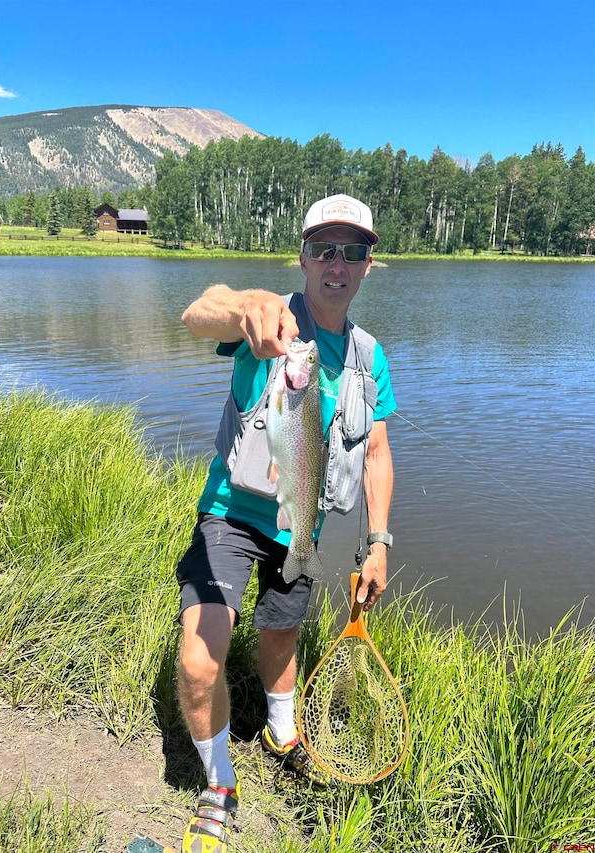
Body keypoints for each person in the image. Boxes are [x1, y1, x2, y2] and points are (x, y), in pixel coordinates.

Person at [177, 194, 396, 853]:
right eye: (324, 248)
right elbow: (196, 311)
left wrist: (378, 541)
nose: (337, 263)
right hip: (233, 515)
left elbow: (379, 451)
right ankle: (219, 785)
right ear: (301, 257)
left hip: (301, 526)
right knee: (196, 662)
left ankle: (280, 732)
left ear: (367, 266)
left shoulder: (368, 356)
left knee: (281, 632)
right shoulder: (269, 319)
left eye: (352, 251)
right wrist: (241, 303)